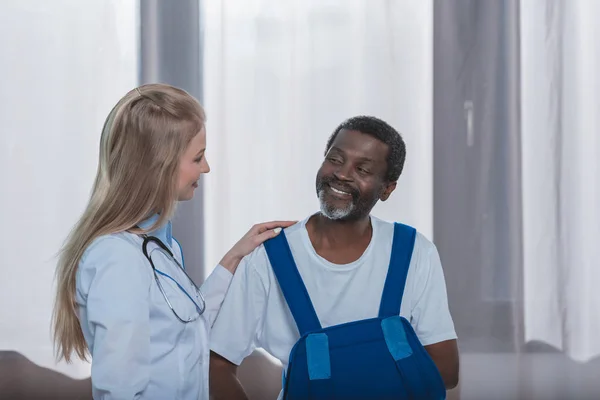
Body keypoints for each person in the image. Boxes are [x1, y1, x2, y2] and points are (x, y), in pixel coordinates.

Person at [51, 83, 295, 400]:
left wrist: (235, 256)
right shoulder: (117, 259)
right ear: (159, 165)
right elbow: (121, 391)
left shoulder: (154, 246)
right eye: (198, 158)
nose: (206, 168)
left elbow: (185, 330)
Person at [209, 116, 459, 399]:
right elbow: (216, 364)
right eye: (335, 159)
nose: (342, 174)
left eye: (362, 169)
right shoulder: (267, 257)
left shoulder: (415, 253)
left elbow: (446, 371)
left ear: (387, 189)